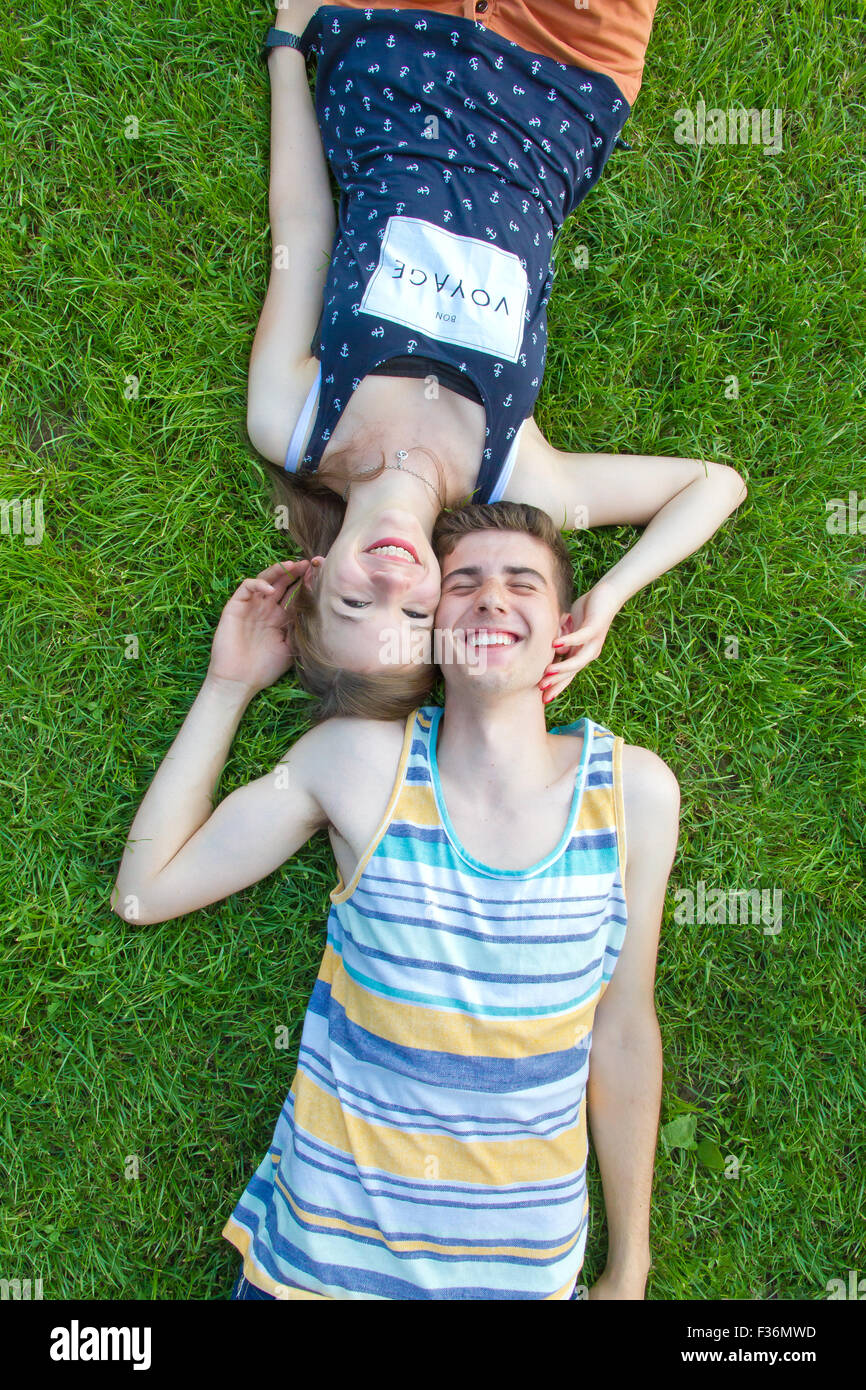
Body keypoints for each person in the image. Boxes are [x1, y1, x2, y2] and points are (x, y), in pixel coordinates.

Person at [111, 500, 680, 1299]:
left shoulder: (634, 793)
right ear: (430, 629)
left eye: (522, 583)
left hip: (522, 1281)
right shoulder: (355, 763)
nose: (490, 599)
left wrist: (630, 1268)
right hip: (317, 1273)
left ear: (562, 628)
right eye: (464, 584)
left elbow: (622, 1032)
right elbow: (143, 891)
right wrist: (227, 685)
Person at [246, 2, 746, 714]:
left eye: (357, 603)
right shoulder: (515, 476)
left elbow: (300, 225)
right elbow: (713, 485)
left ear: (316, 575)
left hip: (392, 57)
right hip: (565, 82)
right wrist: (608, 597)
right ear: (442, 606)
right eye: (414, 618)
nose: (391, 585)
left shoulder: (292, 422)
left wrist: (288, 47)